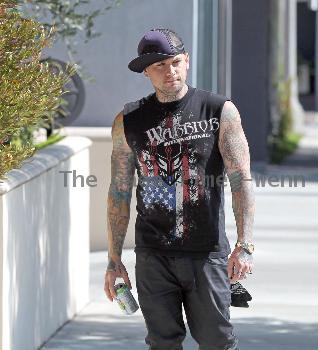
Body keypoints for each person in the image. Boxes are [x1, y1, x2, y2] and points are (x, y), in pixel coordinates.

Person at [103, 28, 255, 350]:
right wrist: (114, 259)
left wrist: (245, 243)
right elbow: (118, 191)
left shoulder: (218, 111)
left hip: (207, 251)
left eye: (175, 62)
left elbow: (241, 180)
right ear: (146, 71)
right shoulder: (128, 121)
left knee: (217, 341)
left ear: (186, 60)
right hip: (153, 254)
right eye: (159, 66)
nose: (170, 71)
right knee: (162, 342)